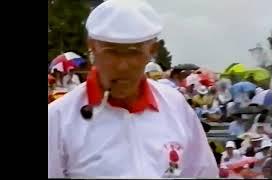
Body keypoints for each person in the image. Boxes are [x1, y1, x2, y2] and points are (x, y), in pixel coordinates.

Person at [48, 0, 218, 178]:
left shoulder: (175, 106)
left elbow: (202, 172)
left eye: (133, 52)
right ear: (92, 47)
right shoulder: (59, 118)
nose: (123, 66)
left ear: (152, 50)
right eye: (111, 51)